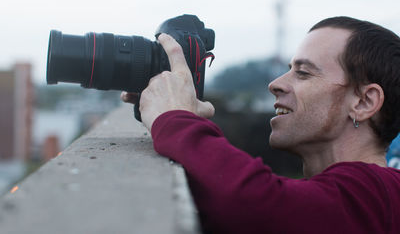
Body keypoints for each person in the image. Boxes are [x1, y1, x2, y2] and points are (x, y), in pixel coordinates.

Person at [121, 17, 400, 234]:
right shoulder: (352, 200)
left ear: (364, 101)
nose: (275, 84)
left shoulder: (380, 191)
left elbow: (254, 202)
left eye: (303, 73)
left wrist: (176, 119)